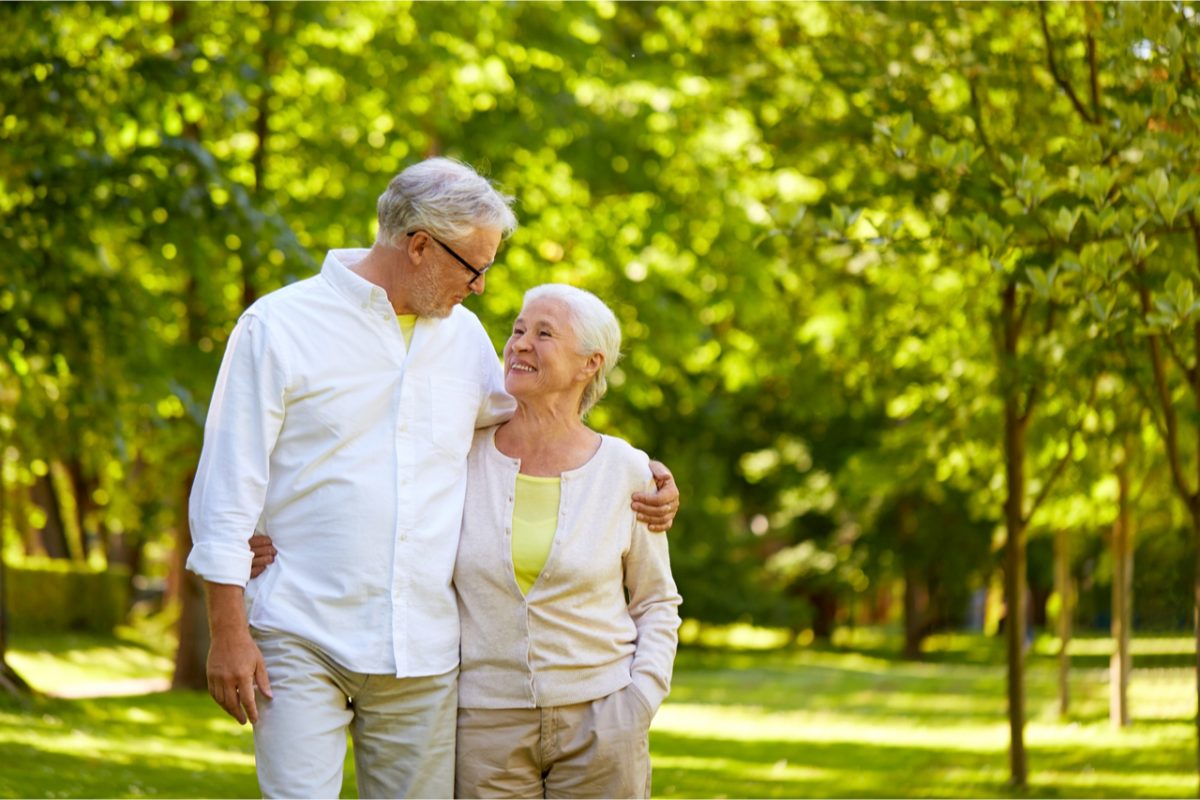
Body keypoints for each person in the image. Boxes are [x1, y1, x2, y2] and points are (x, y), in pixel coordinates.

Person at [185, 157, 679, 799]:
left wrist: (642, 471)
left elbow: (538, 424)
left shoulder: (464, 340)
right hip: (300, 629)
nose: (479, 288)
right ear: (418, 246)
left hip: (423, 652)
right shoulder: (278, 328)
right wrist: (228, 632)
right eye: (474, 267)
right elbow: (226, 488)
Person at [453, 284, 681, 799]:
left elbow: (656, 600)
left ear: (588, 364)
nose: (520, 344)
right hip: (486, 722)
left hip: (604, 717)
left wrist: (639, 699)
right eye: (516, 330)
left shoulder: (626, 470)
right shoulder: (462, 454)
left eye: (544, 333)